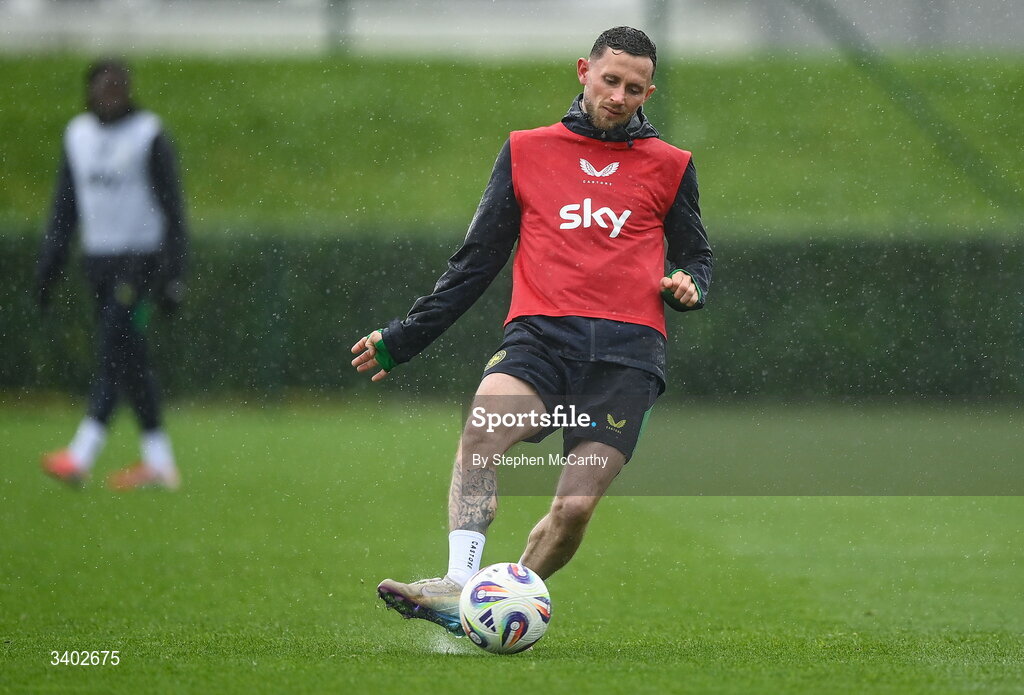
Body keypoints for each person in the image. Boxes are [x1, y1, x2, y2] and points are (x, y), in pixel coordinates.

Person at [351, 26, 712, 634]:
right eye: (610, 80)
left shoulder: (671, 165)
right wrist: (407, 336)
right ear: (583, 71)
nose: (619, 96)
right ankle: (459, 581)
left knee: (573, 508)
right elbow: (476, 261)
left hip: (628, 356)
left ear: (648, 92)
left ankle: (484, 608)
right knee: (481, 435)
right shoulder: (526, 150)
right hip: (540, 340)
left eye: (634, 88)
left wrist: (691, 285)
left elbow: (696, 256)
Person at [35, 59, 188, 491]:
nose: (113, 93)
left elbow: (174, 210)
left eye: (121, 86)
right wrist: (49, 268)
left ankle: (81, 454)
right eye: (105, 86)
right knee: (131, 363)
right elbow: (64, 211)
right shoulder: (77, 136)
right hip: (98, 265)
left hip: (140, 265)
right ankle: (159, 462)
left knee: (113, 351)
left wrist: (175, 275)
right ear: (89, 90)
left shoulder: (149, 134)